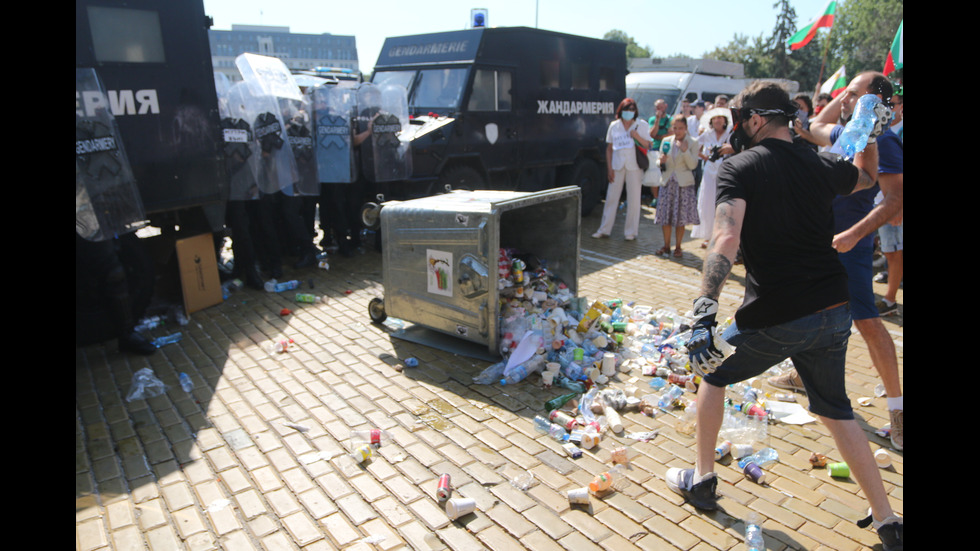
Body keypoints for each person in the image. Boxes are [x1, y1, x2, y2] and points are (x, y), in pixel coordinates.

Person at [669, 81, 903, 551]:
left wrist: (704, 312)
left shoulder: (739, 167)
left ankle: (702, 480)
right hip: (833, 311)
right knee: (837, 412)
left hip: (775, 313)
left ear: (755, 120)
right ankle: (888, 522)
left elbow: (725, 241)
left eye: (741, 120)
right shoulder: (819, 163)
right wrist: (869, 135)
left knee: (710, 373)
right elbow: (865, 178)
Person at [772, 72, 904, 451]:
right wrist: (846, 95)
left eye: (852, 96)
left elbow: (895, 203)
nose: (843, 100)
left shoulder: (884, 141)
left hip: (850, 249)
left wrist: (853, 235)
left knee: (868, 324)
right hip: (819, 241)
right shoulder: (846, 135)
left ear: (872, 103)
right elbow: (809, 126)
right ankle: (803, 375)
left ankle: (898, 411)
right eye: (844, 95)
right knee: (809, 311)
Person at [593, 98, 652, 240]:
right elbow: (609, 149)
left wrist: (636, 136)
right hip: (617, 166)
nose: (629, 112)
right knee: (611, 198)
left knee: (634, 199)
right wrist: (609, 168)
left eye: (632, 110)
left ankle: (630, 232)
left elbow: (648, 145)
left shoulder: (641, 125)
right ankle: (604, 229)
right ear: (621, 111)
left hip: (634, 166)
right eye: (626, 109)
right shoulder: (614, 125)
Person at [874, 86, 903, 313]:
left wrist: (898, 207)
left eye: (893, 104)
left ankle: (891, 299)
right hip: (878, 202)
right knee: (889, 251)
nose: (889, 109)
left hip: (895, 202)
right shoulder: (879, 130)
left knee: (896, 252)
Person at [653, 116, 699, 257]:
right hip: (668, 182)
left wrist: (684, 151)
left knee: (680, 218)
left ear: (685, 128)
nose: (677, 131)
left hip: (683, 184)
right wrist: (660, 161)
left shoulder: (692, 142)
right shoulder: (667, 141)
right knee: (665, 217)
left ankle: (678, 247)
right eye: (675, 128)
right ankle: (666, 246)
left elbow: (693, 165)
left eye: (680, 128)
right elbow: (659, 162)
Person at [691, 108, 733, 248]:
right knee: (708, 203)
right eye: (715, 118)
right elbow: (694, 146)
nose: (717, 121)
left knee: (721, 203)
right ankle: (708, 236)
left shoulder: (729, 134)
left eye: (720, 118)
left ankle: (721, 235)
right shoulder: (707, 134)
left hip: (725, 170)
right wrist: (706, 157)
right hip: (709, 171)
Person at [647, 99, 673, 206]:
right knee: (654, 173)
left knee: (666, 173)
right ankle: (656, 197)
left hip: (667, 149)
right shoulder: (652, 119)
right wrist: (657, 121)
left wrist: (659, 137)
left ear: (665, 106)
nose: (659, 110)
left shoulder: (670, 119)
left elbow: (671, 134)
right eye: (657, 108)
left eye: (661, 107)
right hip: (655, 149)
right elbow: (652, 134)